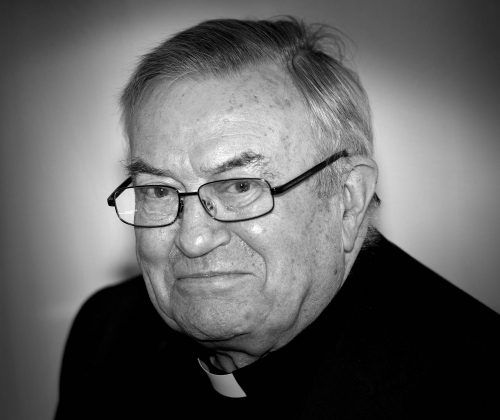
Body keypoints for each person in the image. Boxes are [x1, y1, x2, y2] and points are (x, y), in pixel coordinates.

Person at [55, 18, 499, 419]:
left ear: (347, 200)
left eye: (239, 186)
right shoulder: (105, 332)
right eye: (158, 190)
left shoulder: (474, 382)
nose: (192, 239)